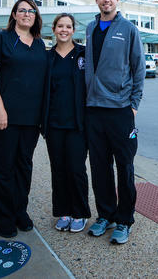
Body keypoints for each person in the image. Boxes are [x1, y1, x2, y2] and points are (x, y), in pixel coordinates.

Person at [0, 0, 47, 238]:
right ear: (14, 15)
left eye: (31, 11)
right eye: (22, 10)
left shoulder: (38, 44)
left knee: (23, 166)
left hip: (29, 119)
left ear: (36, 17)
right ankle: (3, 218)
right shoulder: (1, 39)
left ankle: (19, 212)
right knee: (3, 168)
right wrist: (0, 111)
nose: (27, 14)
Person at [84, 0, 145, 245]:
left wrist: (133, 105)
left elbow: (138, 68)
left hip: (120, 110)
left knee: (125, 167)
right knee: (99, 168)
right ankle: (105, 215)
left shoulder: (128, 29)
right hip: (94, 110)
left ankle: (124, 220)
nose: (106, 0)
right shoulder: (89, 28)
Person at [42, 13, 91, 233]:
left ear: (74, 30)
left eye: (68, 26)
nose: (64, 30)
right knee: (58, 169)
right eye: (60, 26)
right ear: (54, 29)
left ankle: (79, 213)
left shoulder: (84, 54)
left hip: (78, 125)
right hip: (53, 124)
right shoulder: (47, 57)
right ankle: (63, 211)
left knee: (76, 169)